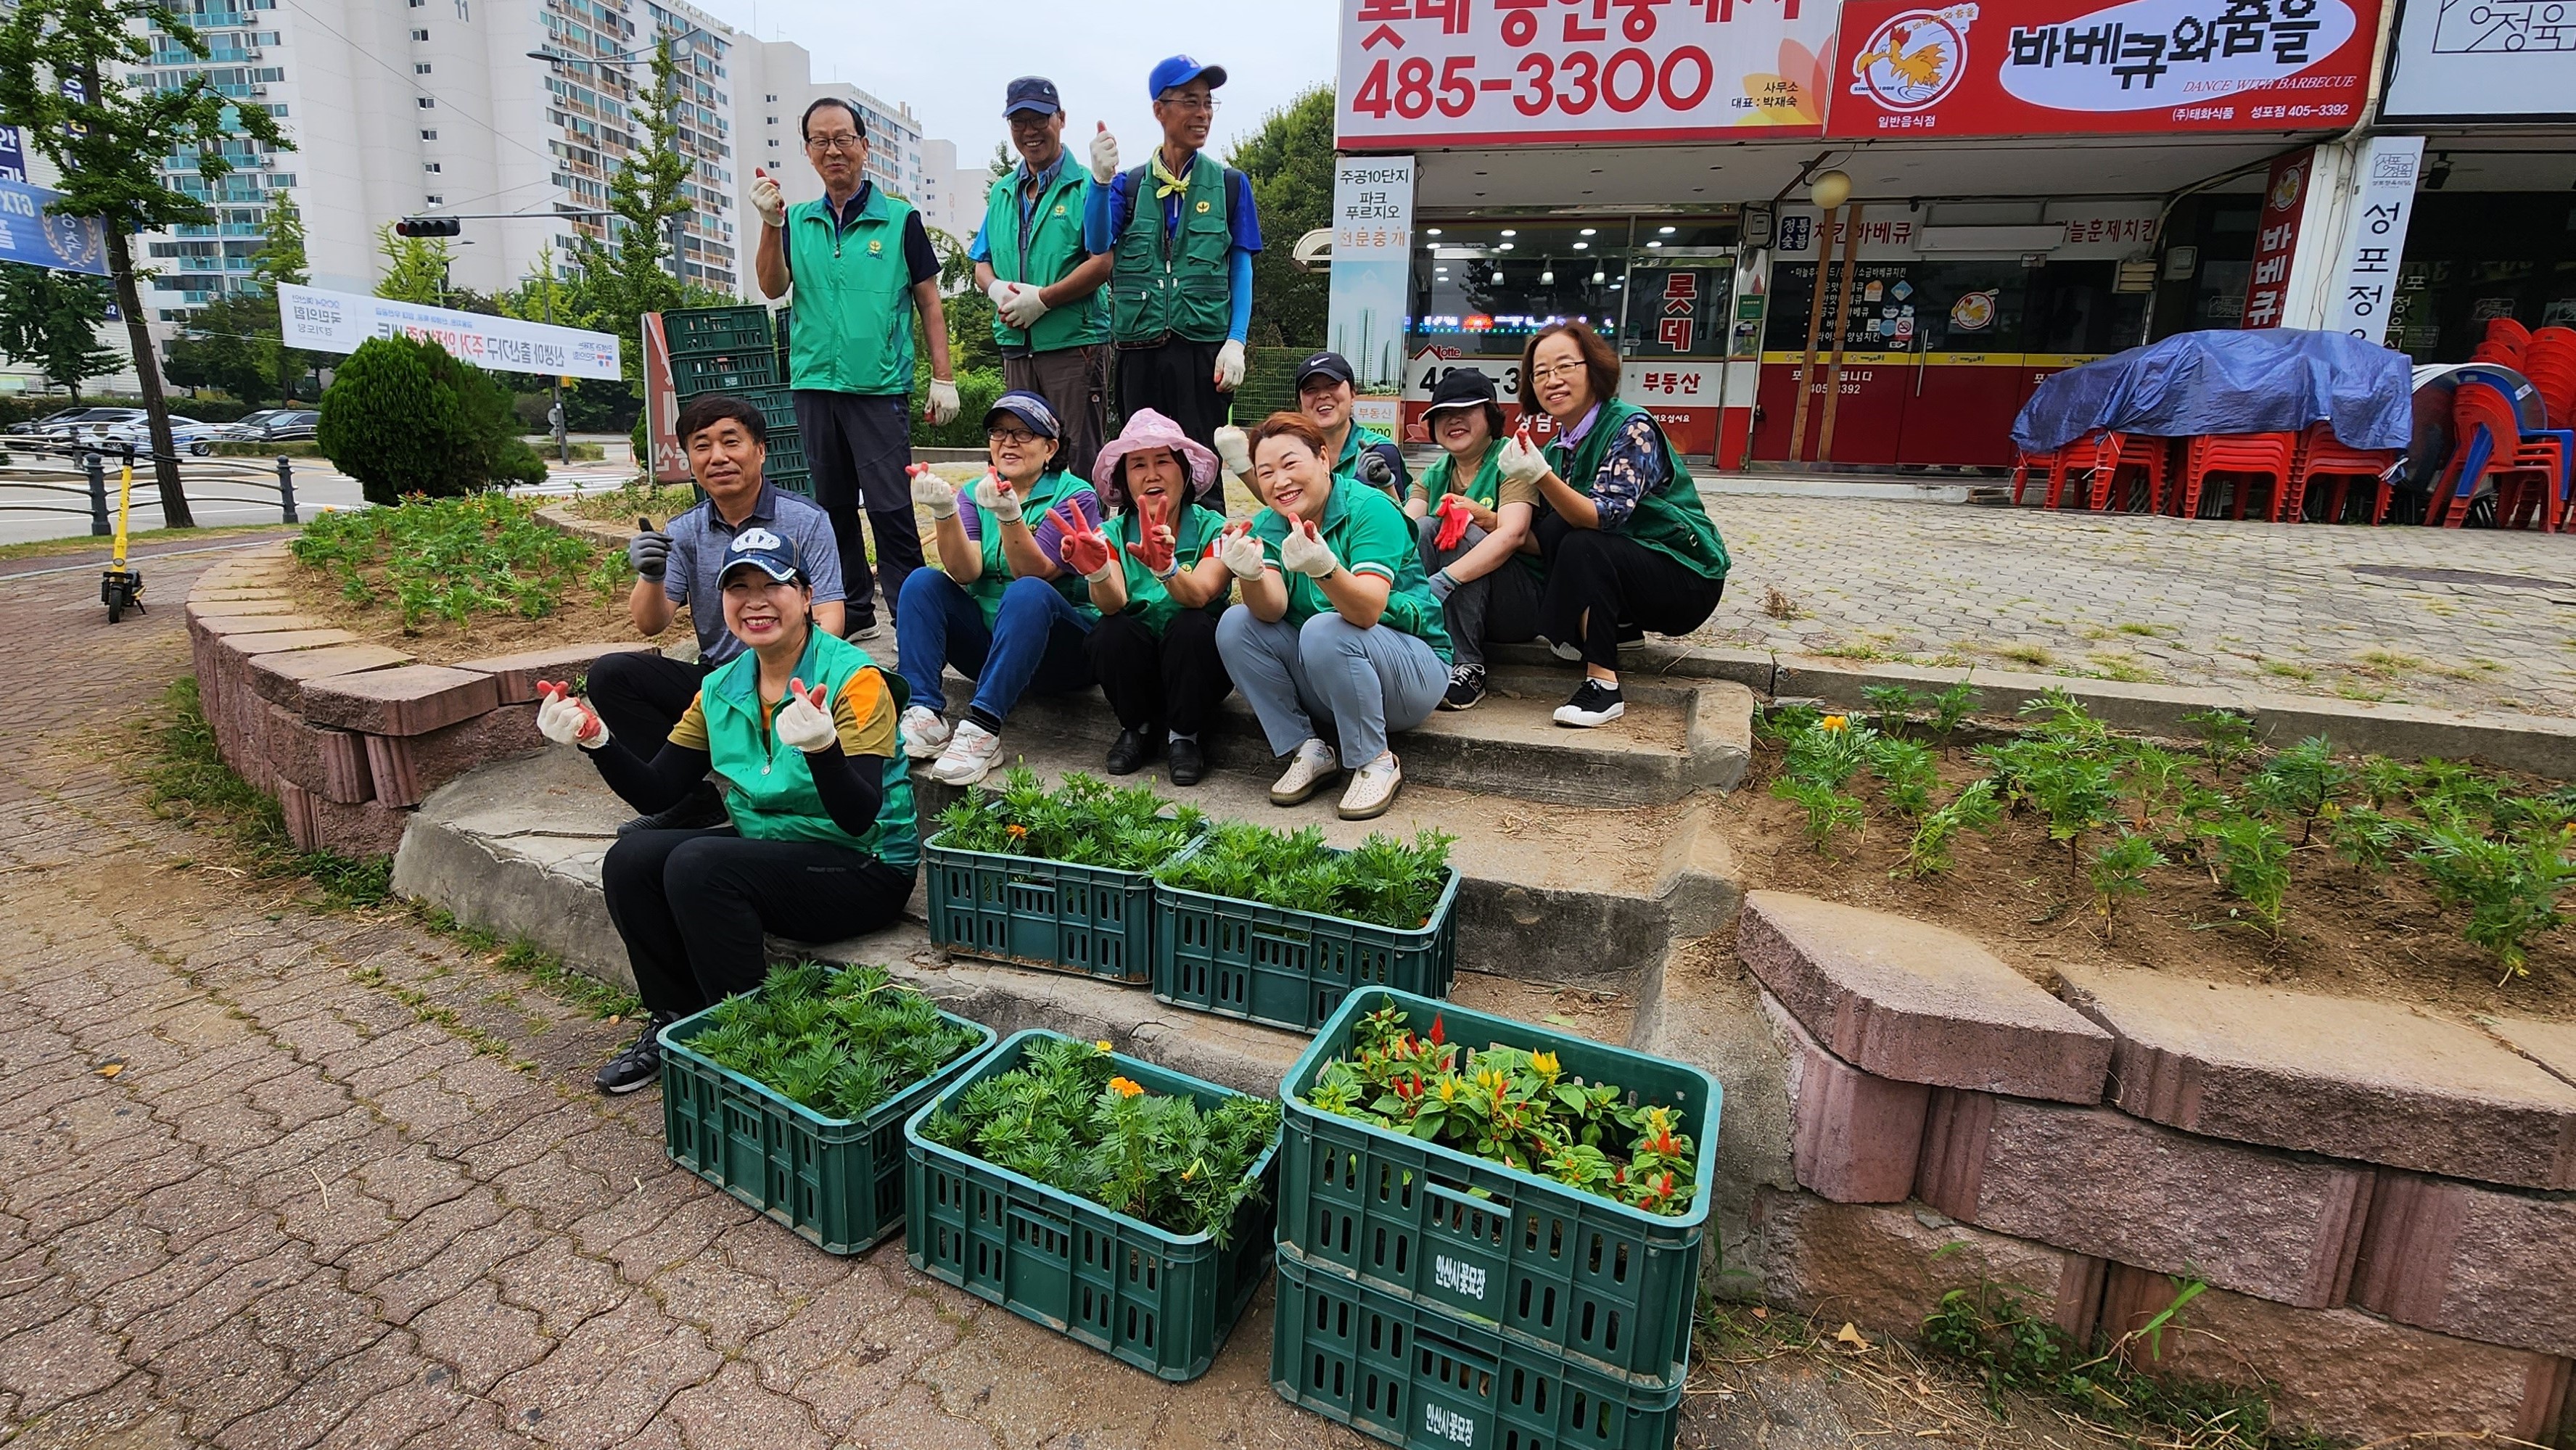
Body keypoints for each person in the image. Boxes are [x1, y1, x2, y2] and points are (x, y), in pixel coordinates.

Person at [536, 528, 917, 1095]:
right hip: (775, 858)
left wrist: (823, 750)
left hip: (863, 867)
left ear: (807, 596)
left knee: (700, 862)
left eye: (774, 584)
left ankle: (744, 1040)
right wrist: (598, 740)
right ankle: (674, 1018)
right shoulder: (719, 687)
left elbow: (859, 817)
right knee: (631, 858)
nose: (755, 600)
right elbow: (659, 790)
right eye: (738, 587)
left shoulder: (853, 679)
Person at [752, 96, 956, 637]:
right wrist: (770, 225)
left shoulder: (899, 219)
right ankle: (855, 613)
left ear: (865, 147)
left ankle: (915, 611)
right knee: (832, 507)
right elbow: (772, 286)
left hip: (878, 386)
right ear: (808, 152)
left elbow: (929, 302)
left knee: (890, 506)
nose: (833, 149)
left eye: (843, 138)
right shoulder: (796, 220)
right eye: (820, 140)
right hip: (815, 382)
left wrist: (944, 376)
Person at [599, 394, 847, 833]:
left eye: (731, 442)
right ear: (690, 459)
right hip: (720, 684)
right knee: (611, 675)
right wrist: (651, 575)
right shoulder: (685, 530)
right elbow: (650, 623)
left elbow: (830, 615)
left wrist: (797, 684)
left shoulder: (805, 520)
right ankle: (692, 802)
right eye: (702, 445)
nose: (718, 457)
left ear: (760, 450)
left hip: (791, 683)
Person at [1214, 413, 1451, 820]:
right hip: (1331, 675)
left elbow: (1366, 610)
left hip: (1410, 672)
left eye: (1291, 464)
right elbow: (1271, 609)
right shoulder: (1272, 525)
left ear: (1323, 459)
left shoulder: (1370, 508)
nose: (1280, 481)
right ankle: (1309, 748)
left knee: (1325, 627)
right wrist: (1249, 574)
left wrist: (1324, 568)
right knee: (1236, 624)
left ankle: (1376, 760)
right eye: (1266, 472)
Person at [1500, 321, 1730, 728]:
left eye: (1565, 366)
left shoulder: (1631, 427)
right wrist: (1487, 519)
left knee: (1583, 543)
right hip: (1637, 572)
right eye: (1540, 372)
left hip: (1688, 576)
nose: (1552, 380)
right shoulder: (1559, 446)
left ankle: (1603, 684)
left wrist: (1539, 476)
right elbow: (1546, 537)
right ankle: (1617, 629)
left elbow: (1605, 516)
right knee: (1557, 531)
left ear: (1593, 369)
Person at [894, 390, 1104, 786]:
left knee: (1026, 593)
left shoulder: (1076, 495)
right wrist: (945, 513)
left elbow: (1036, 572)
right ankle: (923, 713)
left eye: (1023, 433)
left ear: (1050, 447)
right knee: (922, 582)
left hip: (1061, 652)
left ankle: (982, 729)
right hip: (991, 648)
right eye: (999, 432)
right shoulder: (975, 490)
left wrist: (1009, 516)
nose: (1007, 442)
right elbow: (965, 571)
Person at [1083, 55, 1262, 492]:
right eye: (1189, 102)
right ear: (1159, 110)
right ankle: (1141, 551)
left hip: (1203, 351)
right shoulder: (1127, 185)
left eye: (1207, 104)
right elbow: (1096, 243)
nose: (1201, 114)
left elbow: (1241, 264)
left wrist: (1235, 340)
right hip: (1138, 348)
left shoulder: (1231, 184)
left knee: (1202, 465)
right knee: (1140, 465)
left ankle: (1206, 553)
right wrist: (1100, 183)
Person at [1072, 408, 1235, 784]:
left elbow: (1201, 595)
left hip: (1198, 671)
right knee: (1111, 629)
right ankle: (1136, 727)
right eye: (1137, 466)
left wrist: (1167, 569)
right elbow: (1111, 602)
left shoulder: (1216, 528)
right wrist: (1097, 570)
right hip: (1138, 673)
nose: (1151, 474)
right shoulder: (1111, 533)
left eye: (1163, 461)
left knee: (1194, 625)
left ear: (1185, 471)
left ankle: (1186, 736)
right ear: (1125, 480)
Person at [971, 76, 1112, 484]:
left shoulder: (1088, 185)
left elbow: (1102, 262)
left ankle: (1088, 546)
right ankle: (1028, 545)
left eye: (1040, 119)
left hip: (1074, 346)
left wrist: (1045, 300)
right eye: (1019, 123)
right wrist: (996, 288)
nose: (1030, 131)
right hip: (1017, 347)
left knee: (1080, 459)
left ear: (1061, 119)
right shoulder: (1002, 192)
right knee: (1022, 460)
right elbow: (982, 262)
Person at [1405, 369, 1542, 712]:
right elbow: (1405, 529)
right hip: (1452, 599)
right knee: (1422, 528)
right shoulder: (1435, 472)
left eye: (1466, 411)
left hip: (1516, 604)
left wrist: (1443, 580)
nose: (1454, 420)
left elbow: (1515, 534)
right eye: (1443, 414)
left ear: (1490, 415)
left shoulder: (1510, 459)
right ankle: (1424, 648)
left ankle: (1467, 664)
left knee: (1464, 528)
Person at [1296, 350, 1407, 500]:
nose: (1323, 395)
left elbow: (1397, 517)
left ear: (1353, 394)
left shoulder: (1379, 451)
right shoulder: (1291, 454)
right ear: (1299, 403)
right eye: (1311, 389)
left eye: (1332, 385)